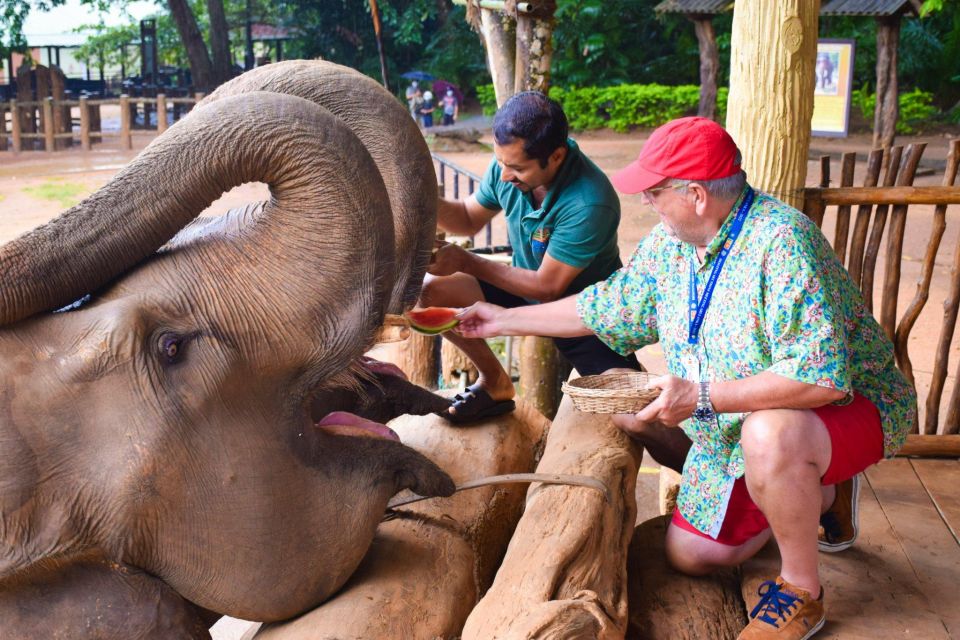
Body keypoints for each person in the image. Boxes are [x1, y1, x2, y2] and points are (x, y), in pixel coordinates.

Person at [455, 116, 916, 639]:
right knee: (692, 554)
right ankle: (823, 493)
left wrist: (703, 396)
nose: (647, 202)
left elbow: (822, 380)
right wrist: (500, 319)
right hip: (739, 424)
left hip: (845, 408)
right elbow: (601, 307)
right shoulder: (671, 243)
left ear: (696, 194)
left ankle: (802, 591)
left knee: (771, 434)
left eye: (655, 192)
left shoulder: (784, 243)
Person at [422, 90, 643, 425]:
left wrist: (466, 262)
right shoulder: (507, 167)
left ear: (555, 157)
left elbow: (548, 287)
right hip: (524, 287)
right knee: (430, 289)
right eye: (500, 162)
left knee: (636, 417)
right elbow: (467, 218)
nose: (505, 175)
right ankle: (494, 382)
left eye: (516, 168)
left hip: (583, 314)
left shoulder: (590, 201)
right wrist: (421, 197)